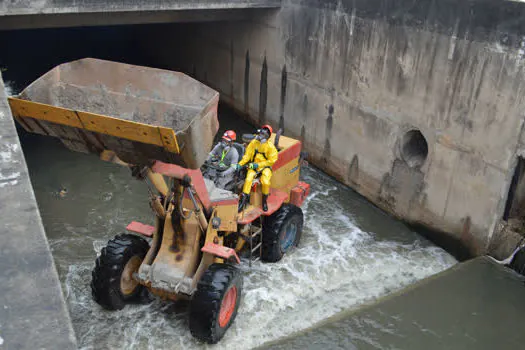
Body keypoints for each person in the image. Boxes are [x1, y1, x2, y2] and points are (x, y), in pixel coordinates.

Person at [234, 125, 278, 212]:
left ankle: (264, 201)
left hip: (265, 167)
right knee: (248, 179)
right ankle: (242, 201)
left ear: (267, 136)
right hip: (253, 166)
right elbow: (247, 155)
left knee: (265, 182)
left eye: (263, 134)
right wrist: (240, 164)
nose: (260, 136)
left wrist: (258, 165)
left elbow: (272, 161)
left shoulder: (270, 147)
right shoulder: (254, 143)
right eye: (260, 133)